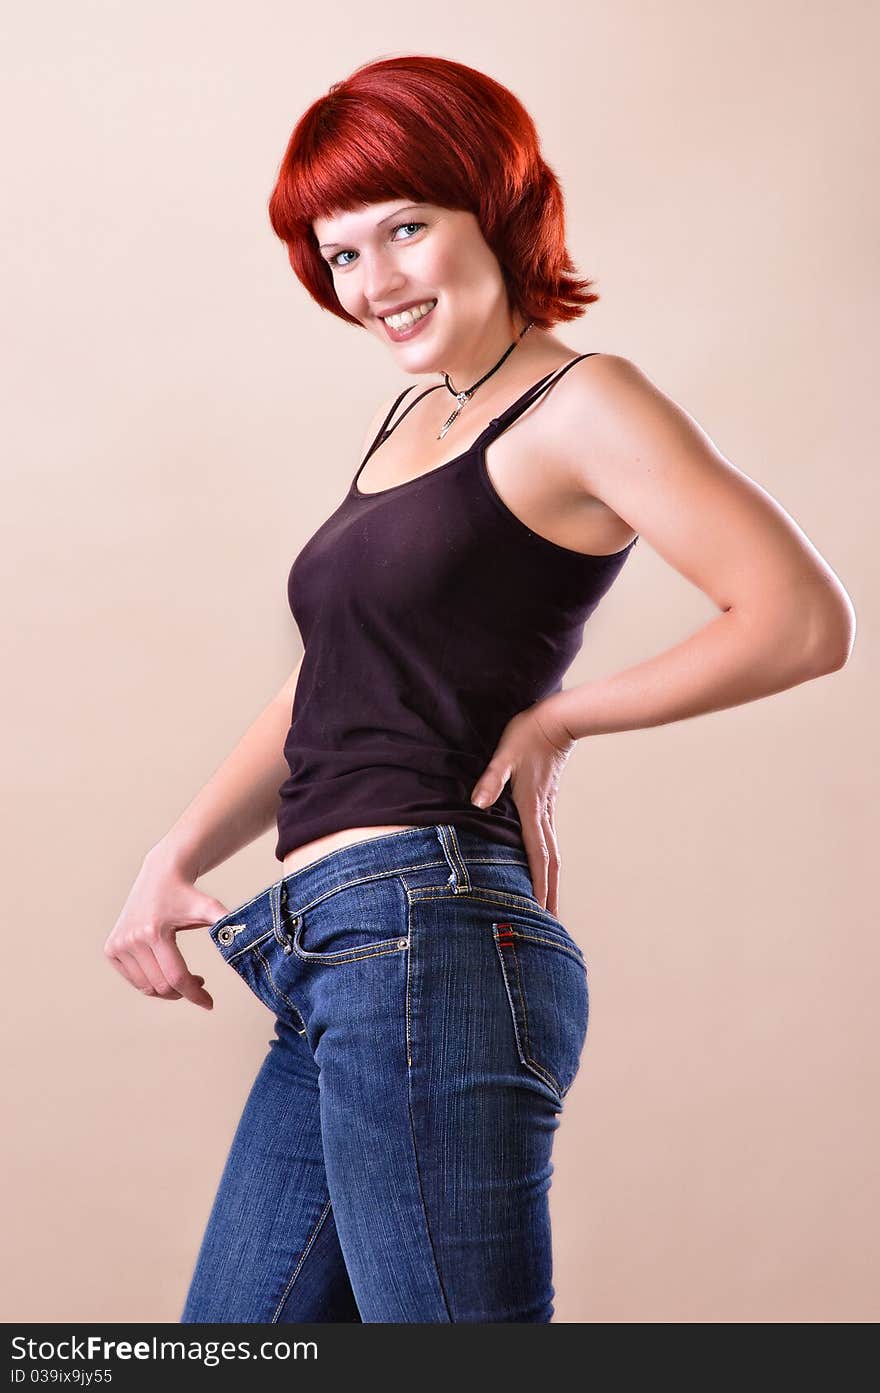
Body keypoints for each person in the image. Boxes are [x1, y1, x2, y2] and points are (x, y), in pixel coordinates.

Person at [104, 55, 855, 1323]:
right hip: (325, 949)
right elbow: (331, 680)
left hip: (428, 937)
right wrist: (173, 852)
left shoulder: (581, 403)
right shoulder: (411, 425)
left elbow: (799, 618)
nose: (375, 281)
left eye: (406, 228)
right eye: (341, 254)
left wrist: (561, 716)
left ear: (495, 209)